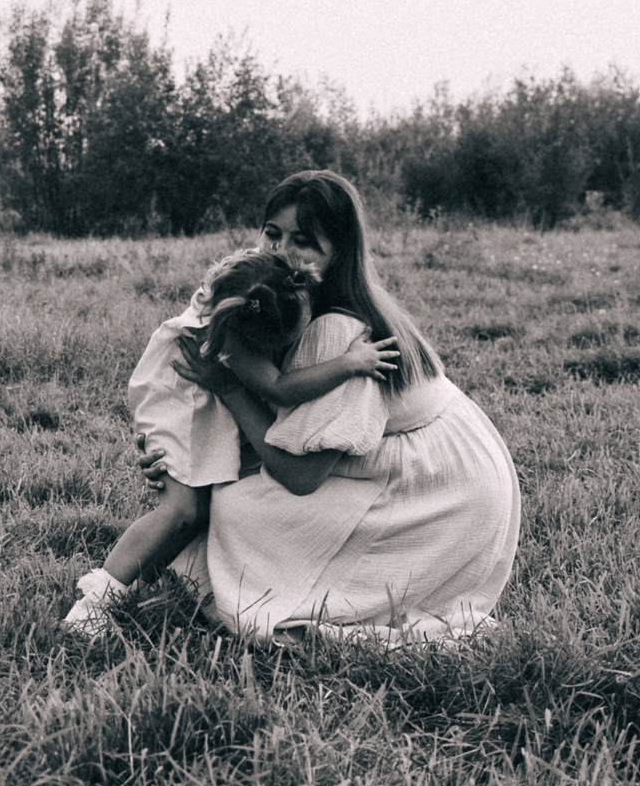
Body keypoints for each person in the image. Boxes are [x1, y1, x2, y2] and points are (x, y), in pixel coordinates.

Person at [153, 169, 521, 645]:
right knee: (227, 486)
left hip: (439, 495)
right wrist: (177, 459)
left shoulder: (336, 329)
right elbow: (278, 419)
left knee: (237, 505)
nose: (281, 252)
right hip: (439, 468)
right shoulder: (283, 304)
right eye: (273, 234)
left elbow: (300, 476)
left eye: (304, 241)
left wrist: (229, 389)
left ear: (340, 251)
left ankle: (319, 597)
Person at [62, 247, 397, 631]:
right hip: (182, 408)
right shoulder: (232, 337)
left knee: (199, 512)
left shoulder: (243, 284)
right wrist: (349, 363)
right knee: (181, 511)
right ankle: (92, 605)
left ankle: (130, 589)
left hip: (187, 404)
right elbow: (281, 388)